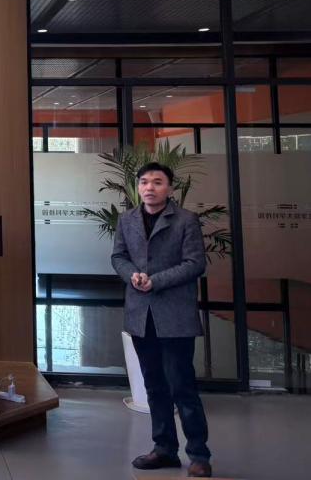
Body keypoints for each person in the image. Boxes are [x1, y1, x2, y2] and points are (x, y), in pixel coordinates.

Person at [111, 162, 213, 478]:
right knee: (154, 386)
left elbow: (195, 263)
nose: (149, 187)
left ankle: (199, 454)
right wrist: (133, 275)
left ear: (169, 187)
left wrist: (156, 281)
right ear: (138, 187)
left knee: (182, 386)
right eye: (144, 182)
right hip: (141, 314)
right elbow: (118, 257)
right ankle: (164, 448)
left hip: (175, 315)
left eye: (157, 182)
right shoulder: (127, 219)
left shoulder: (185, 220)